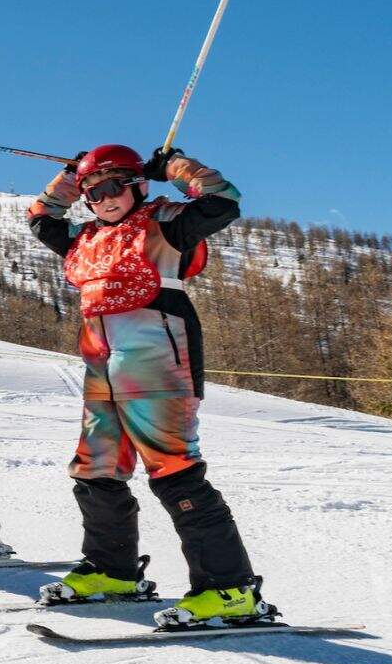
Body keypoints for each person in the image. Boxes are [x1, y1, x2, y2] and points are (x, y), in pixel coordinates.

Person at [28, 144, 266, 627]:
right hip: (101, 366)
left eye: (113, 186)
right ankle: (112, 570)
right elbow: (40, 218)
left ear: (137, 185)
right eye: (93, 192)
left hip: (158, 359)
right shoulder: (84, 238)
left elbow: (223, 200)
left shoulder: (166, 224)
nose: (103, 198)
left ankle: (228, 589)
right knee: (95, 469)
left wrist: (174, 167)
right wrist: (70, 176)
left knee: (174, 470)